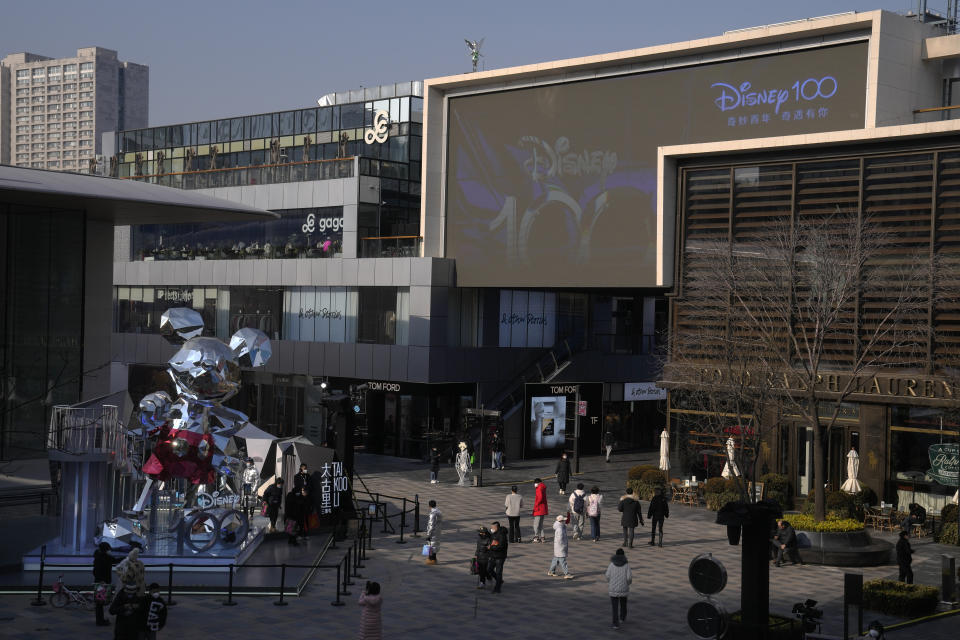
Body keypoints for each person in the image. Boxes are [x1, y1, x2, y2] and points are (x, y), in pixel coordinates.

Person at [604, 548, 632, 630]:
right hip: (623, 588)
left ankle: (615, 624)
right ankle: (622, 617)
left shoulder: (611, 564)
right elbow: (629, 578)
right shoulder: (627, 565)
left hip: (613, 589)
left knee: (614, 607)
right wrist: (628, 584)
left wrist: (610, 582)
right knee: (623, 604)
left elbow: (607, 575)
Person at [92, 542, 117, 627]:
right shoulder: (104, 558)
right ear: (106, 549)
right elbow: (115, 560)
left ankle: (100, 620)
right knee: (100, 602)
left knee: (100, 602)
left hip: (100, 582)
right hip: (102, 583)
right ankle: (100, 621)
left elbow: (95, 571)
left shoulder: (99, 557)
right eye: (108, 549)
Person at [548, 514, 574, 579]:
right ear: (561, 521)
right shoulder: (560, 529)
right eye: (563, 521)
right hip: (560, 547)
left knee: (555, 560)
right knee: (563, 561)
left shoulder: (560, 526)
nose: (564, 521)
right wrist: (563, 546)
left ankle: (551, 571)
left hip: (557, 547)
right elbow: (560, 540)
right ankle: (567, 574)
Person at [488, 520, 509, 593]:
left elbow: (500, 546)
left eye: (493, 527)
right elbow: (491, 543)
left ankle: (497, 588)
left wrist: (491, 547)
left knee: (498, 572)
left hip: (500, 556)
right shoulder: (493, 534)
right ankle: (499, 580)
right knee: (489, 569)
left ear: (497, 527)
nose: (491, 529)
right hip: (493, 555)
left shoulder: (502, 535)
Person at [425, 499, 442, 564]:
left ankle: (431, 559)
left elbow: (431, 525)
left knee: (430, 545)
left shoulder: (433, 514)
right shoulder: (439, 512)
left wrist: (428, 534)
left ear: (429, 506)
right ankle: (434, 559)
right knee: (435, 545)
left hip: (433, 532)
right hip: (438, 531)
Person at [532, 478, 549, 543]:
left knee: (535, 524)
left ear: (537, 483)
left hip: (538, 509)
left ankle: (536, 537)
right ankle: (542, 537)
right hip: (543, 508)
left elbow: (540, 498)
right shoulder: (543, 487)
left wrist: (536, 505)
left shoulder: (539, 488)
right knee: (541, 524)